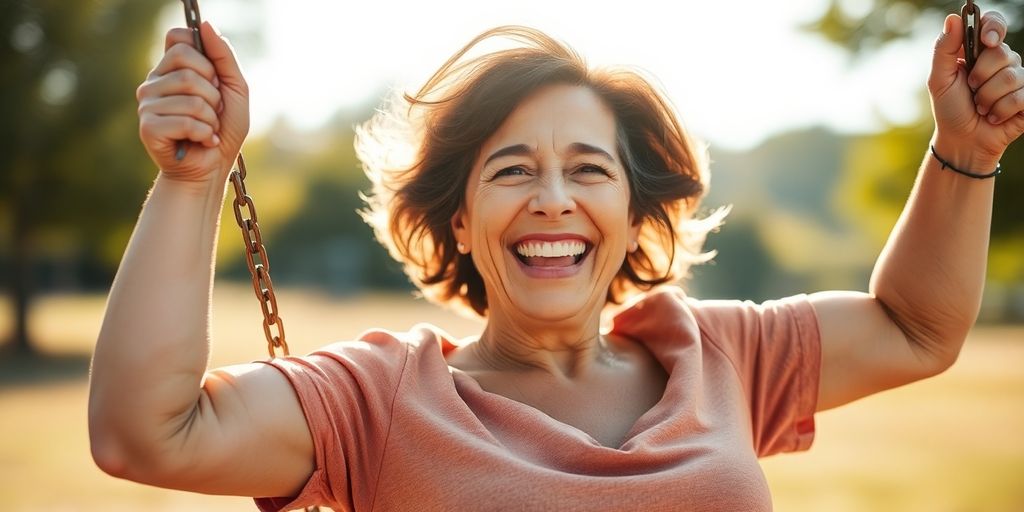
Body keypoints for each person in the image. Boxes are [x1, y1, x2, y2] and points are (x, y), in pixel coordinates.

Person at [89, 10, 1022, 512]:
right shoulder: (377, 402)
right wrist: (192, 180)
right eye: (512, 170)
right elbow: (145, 433)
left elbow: (916, 328)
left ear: (629, 209)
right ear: (458, 220)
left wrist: (968, 154)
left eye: (588, 169)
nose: (553, 199)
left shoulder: (719, 357)